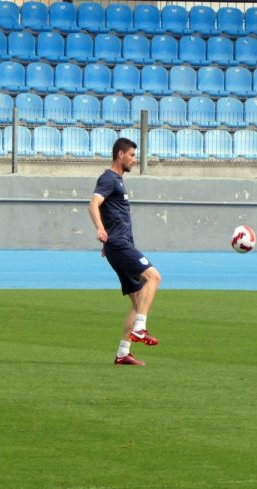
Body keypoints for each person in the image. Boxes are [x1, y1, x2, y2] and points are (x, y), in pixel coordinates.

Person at [89, 137, 161, 367]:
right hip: (120, 246)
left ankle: (123, 353)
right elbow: (93, 204)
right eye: (131, 155)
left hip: (117, 246)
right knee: (154, 277)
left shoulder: (117, 180)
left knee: (139, 300)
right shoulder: (109, 178)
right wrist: (101, 230)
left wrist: (106, 243)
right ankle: (140, 328)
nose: (134, 160)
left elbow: (110, 213)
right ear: (120, 154)